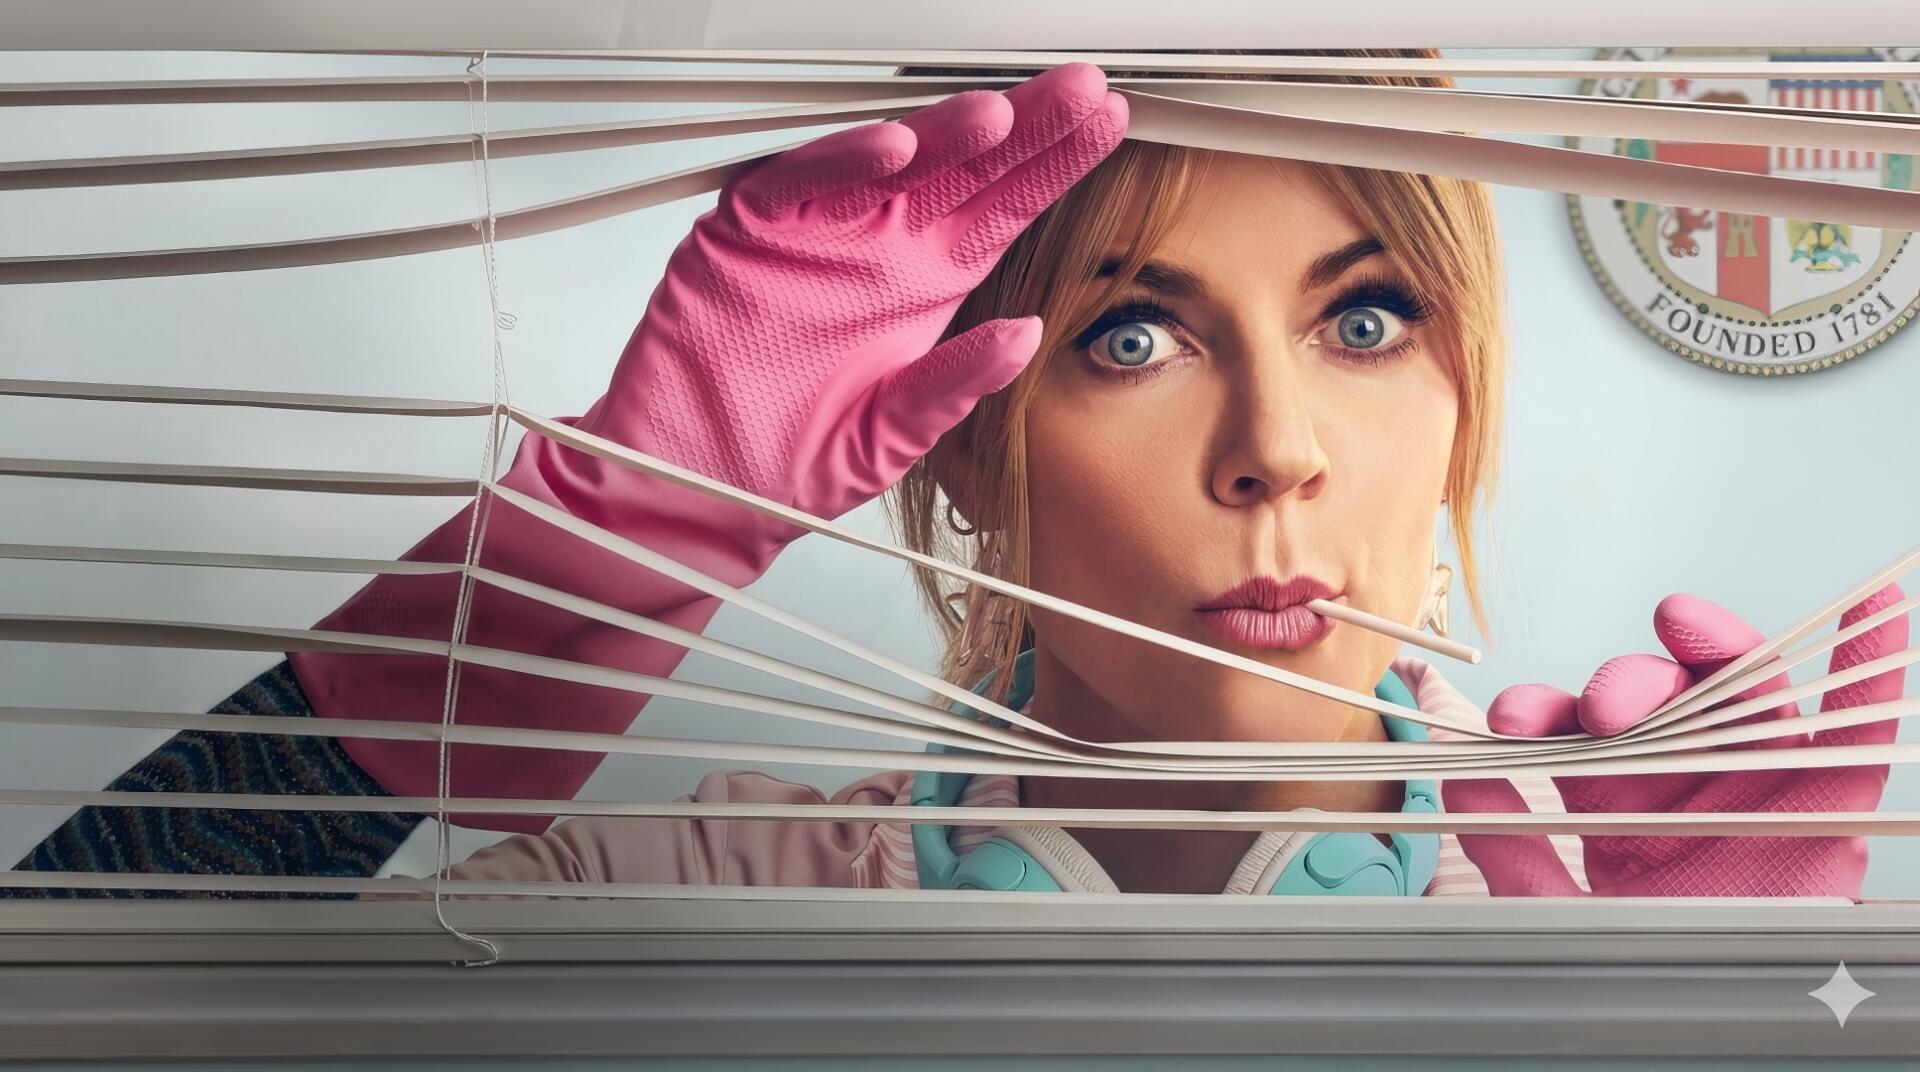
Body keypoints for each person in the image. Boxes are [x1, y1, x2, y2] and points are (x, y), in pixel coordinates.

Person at [8, 56, 1905, 900]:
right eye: (1133, 335)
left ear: (1463, 390)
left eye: (1364, 319)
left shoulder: (1602, 909)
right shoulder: (688, 885)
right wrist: (467, 658)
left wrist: (1740, 1035)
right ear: (970, 434)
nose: (1277, 453)